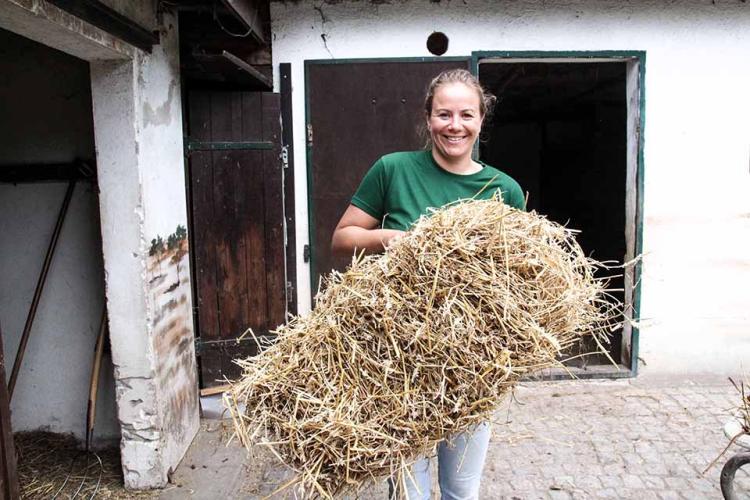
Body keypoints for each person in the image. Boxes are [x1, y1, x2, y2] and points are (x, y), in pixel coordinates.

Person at [330, 69, 525, 500]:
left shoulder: (505, 191)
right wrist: (389, 238)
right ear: (428, 117)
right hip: (399, 363)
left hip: (472, 368)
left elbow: (520, 283)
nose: (455, 125)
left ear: (480, 120)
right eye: (444, 114)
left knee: (460, 490)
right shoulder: (392, 170)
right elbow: (342, 238)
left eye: (466, 115)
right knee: (409, 493)